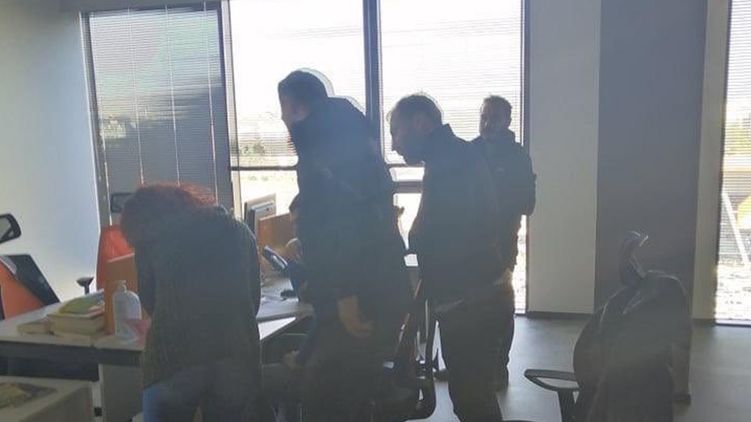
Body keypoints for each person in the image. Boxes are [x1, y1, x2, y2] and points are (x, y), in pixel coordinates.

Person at [276, 69, 411, 421]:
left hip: (357, 300)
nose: (282, 118)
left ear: (297, 107)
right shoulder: (354, 140)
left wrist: (344, 295)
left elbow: (341, 226)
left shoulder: (321, 150)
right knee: (349, 400)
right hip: (382, 290)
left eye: (284, 107)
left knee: (328, 403)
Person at [389, 94, 506, 422]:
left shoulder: (449, 163)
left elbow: (432, 232)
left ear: (420, 123)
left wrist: (412, 235)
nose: (394, 145)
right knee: (473, 397)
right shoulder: (454, 155)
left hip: (471, 301)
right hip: (476, 295)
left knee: (472, 402)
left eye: (396, 132)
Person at [120, 184, 262, 422]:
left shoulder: (150, 239)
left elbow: (151, 302)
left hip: (173, 359)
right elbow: (252, 301)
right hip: (235, 357)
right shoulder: (239, 231)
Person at [472, 95, 536, 388]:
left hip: (501, 245)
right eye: (484, 117)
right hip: (468, 245)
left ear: (508, 121)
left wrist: (495, 197)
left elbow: (528, 203)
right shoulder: (470, 151)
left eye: (494, 118)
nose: (487, 124)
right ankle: (470, 365)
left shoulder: (518, 157)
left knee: (499, 307)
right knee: (470, 310)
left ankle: (499, 368)